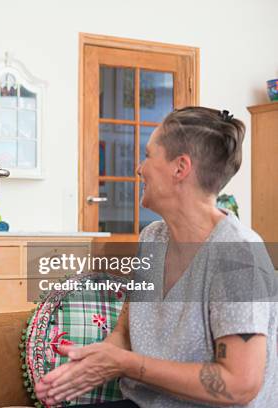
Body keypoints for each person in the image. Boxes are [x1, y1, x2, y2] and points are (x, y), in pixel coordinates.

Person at [35, 107, 278, 407]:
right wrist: (92, 365)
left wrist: (124, 363)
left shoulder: (237, 255)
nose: (140, 168)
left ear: (180, 168)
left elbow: (239, 385)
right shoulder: (153, 237)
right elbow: (127, 328)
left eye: (149, 156)